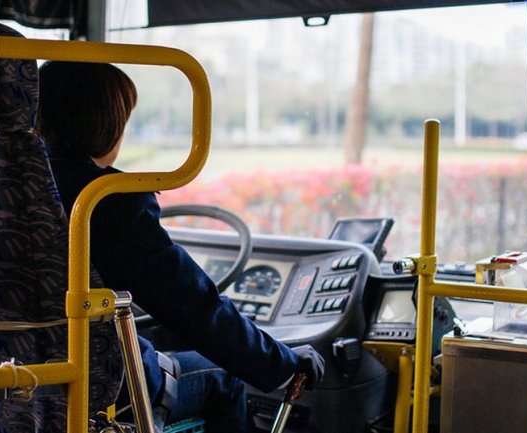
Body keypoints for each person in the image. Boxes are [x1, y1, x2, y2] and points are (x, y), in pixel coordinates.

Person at [35, 61, 325, 432]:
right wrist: (281, 364)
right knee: (223, 378)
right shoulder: (106, 197)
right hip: (99, 382)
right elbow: (192, 306)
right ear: (107, 125)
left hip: (9, 377)